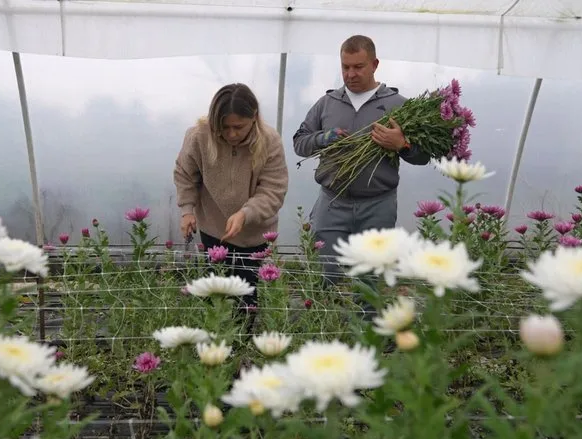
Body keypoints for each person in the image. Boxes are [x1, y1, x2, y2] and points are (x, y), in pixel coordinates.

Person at [293, 35, 431, 317]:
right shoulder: (327, 103)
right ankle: (311, 333)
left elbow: (423, 156)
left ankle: (368, 338)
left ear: (374, 64)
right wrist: (324, 137)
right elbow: (299, 142)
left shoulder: (398, 106)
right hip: (333, 202)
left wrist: (402, 144)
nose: (350, 74)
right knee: (323, 273)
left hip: (377, 205)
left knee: (368, 281)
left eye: (358, 67)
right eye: (345, 67)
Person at [173, 83, 289, 315]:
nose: (232, 133)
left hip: (254, 235)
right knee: (214, 296)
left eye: (239, 127)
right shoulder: (198, 137)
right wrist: (187, 210)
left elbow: (273, 191)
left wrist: (245, 214)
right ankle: (215, 345)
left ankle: (240, 344)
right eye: (224, 127)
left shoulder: (269, 141)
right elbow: (185, 175)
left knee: (246, 298)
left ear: (254, 117)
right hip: (213, 229)